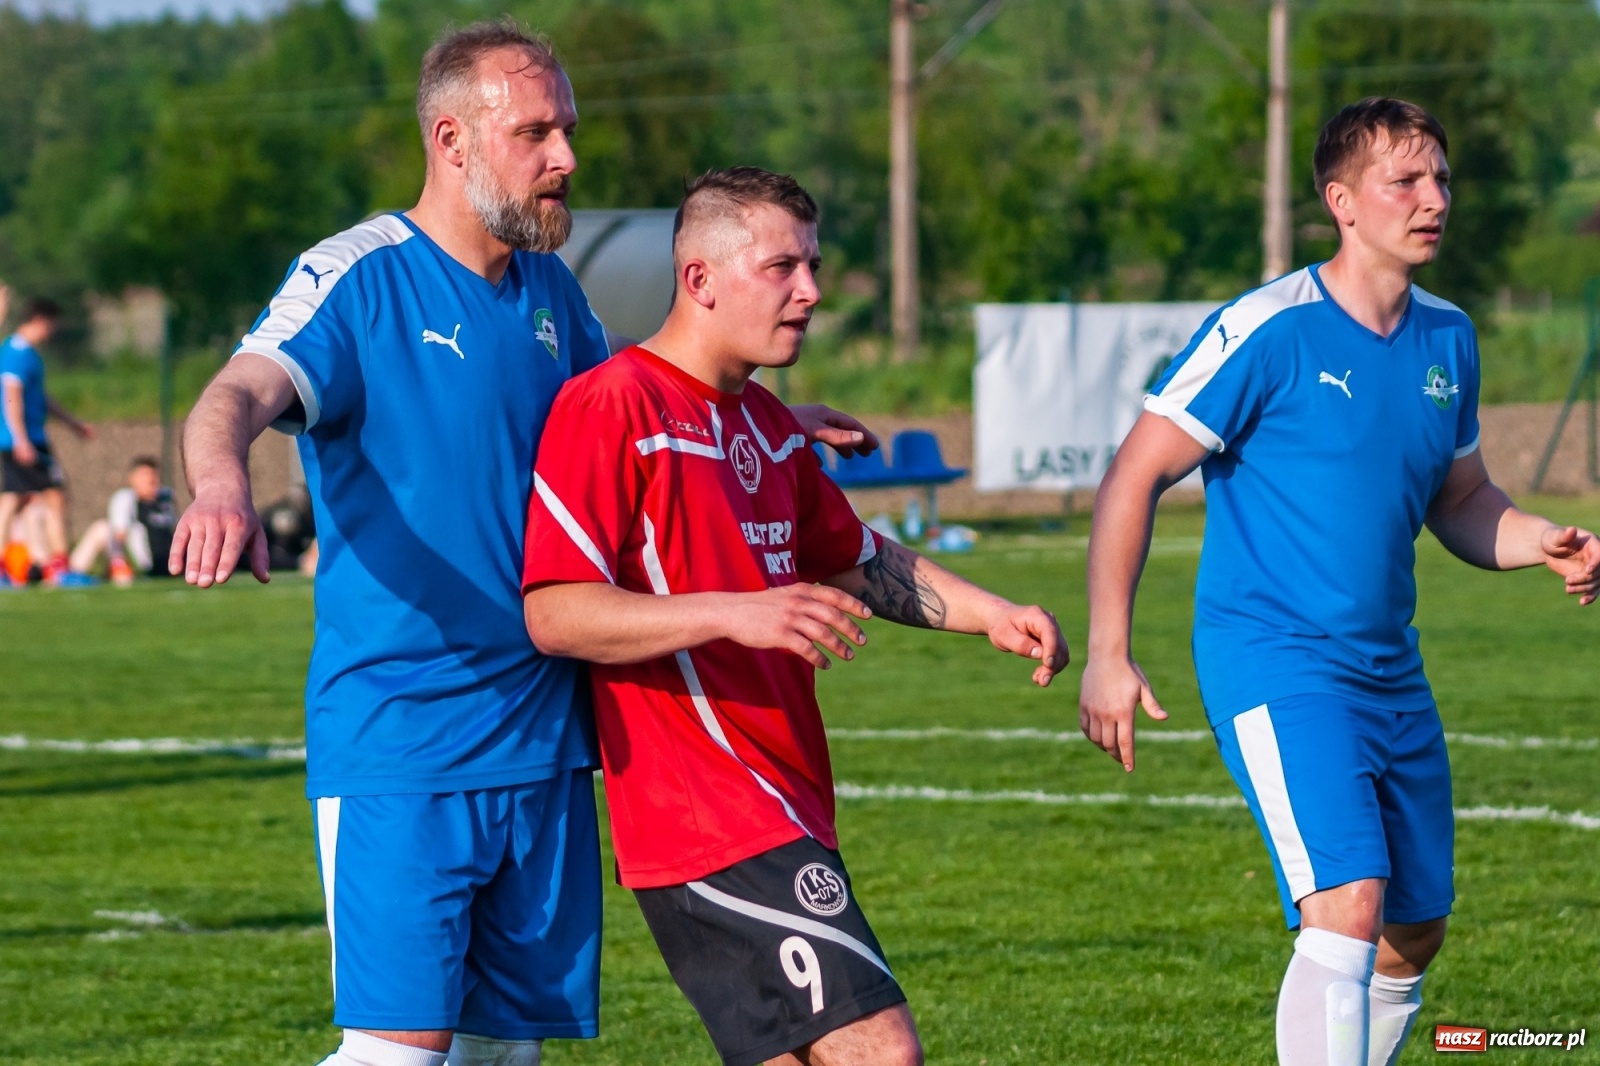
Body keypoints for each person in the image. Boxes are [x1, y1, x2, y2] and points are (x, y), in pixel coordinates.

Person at [167, 21, 880, 1066]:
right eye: (537, 133)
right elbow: (237, 391)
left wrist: (766, 413)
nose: (566, 159)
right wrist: (222, 485)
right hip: (406, 739)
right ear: (452, 141)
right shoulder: (360, 276)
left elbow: (644, 402)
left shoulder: (550, 293)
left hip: (547, 740)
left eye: (569, 129)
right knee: (398, 1051)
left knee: (502, 1056)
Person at [1078, 98, 1600, 1066]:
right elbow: (1134, 473)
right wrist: (1107, 652)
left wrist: (1543, 540)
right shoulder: (1269, 329)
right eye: (1404, 180)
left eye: (1440, 177)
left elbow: (1462, 496)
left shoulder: (1449, 336)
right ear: (1341, 200)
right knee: (1347, 901)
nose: (1432, 198)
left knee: (1413, 929)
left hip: (1388, 669)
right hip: (1274, 659)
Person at [521, 167, 1068, 1066]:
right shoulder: (616, 407)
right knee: (880, 1049)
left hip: (787, 802)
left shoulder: (770, 426)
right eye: (782, 268)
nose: (810, 291)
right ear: (699, 279)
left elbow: (861, 560)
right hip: (707, 813)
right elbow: (558, 613)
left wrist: (991, 614)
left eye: (811, 264)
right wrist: (736, 612)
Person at [0, 296, 95, 587]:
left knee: (16, 499)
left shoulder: (28, 354)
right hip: (23, 440)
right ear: (41, 321)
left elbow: (39, 398)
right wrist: (20, 439)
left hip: (24, 438)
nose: (52, 331)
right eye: (52, 325)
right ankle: (59, 569)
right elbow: (10, 394)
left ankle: (23, 569)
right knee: (50, 496)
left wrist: (72, 423)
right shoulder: (17, 352)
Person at [69, 455, 179, 585]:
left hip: (169, 562)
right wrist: (119, 564)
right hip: (141, 562)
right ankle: (73, 573)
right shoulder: (126, 498)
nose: (150, 479)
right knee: (101, 528)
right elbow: (119, 535)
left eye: (153, 474)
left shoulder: (166, 499)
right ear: (132, 479)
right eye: (144, 475)